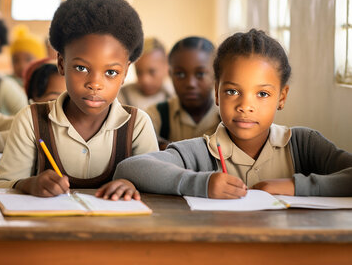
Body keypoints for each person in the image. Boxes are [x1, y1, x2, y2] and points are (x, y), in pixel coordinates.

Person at [114, 29, 352, 198]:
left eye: (262, 94)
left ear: (282, 96)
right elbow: (130, 168)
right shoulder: (201, 152)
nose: (245, 106)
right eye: (232, 91)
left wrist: (295, 186)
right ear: (216, 93)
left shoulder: (303, 145)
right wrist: (201, 183)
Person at [0, 0, 159, 201]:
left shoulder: (138, 125)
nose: (95, 84)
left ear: (125, 73)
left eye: (111, 72)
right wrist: (27, 184)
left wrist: (132, 185)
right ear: (61, 63)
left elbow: (157, 190)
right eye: (81, 68)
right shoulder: (31, 120)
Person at [146, 36, 220, 149]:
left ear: (215, 75)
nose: (190, 83)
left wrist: (166, 147)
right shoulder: (157, 115)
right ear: (170, 74)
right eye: (180, 74)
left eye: (200, 74)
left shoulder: (226, 118)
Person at [118, 37, 174, 110]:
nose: (145, 80)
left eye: (152, 72)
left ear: (166, 67)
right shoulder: (121, 96)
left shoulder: (175, 97)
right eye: (139, 72)